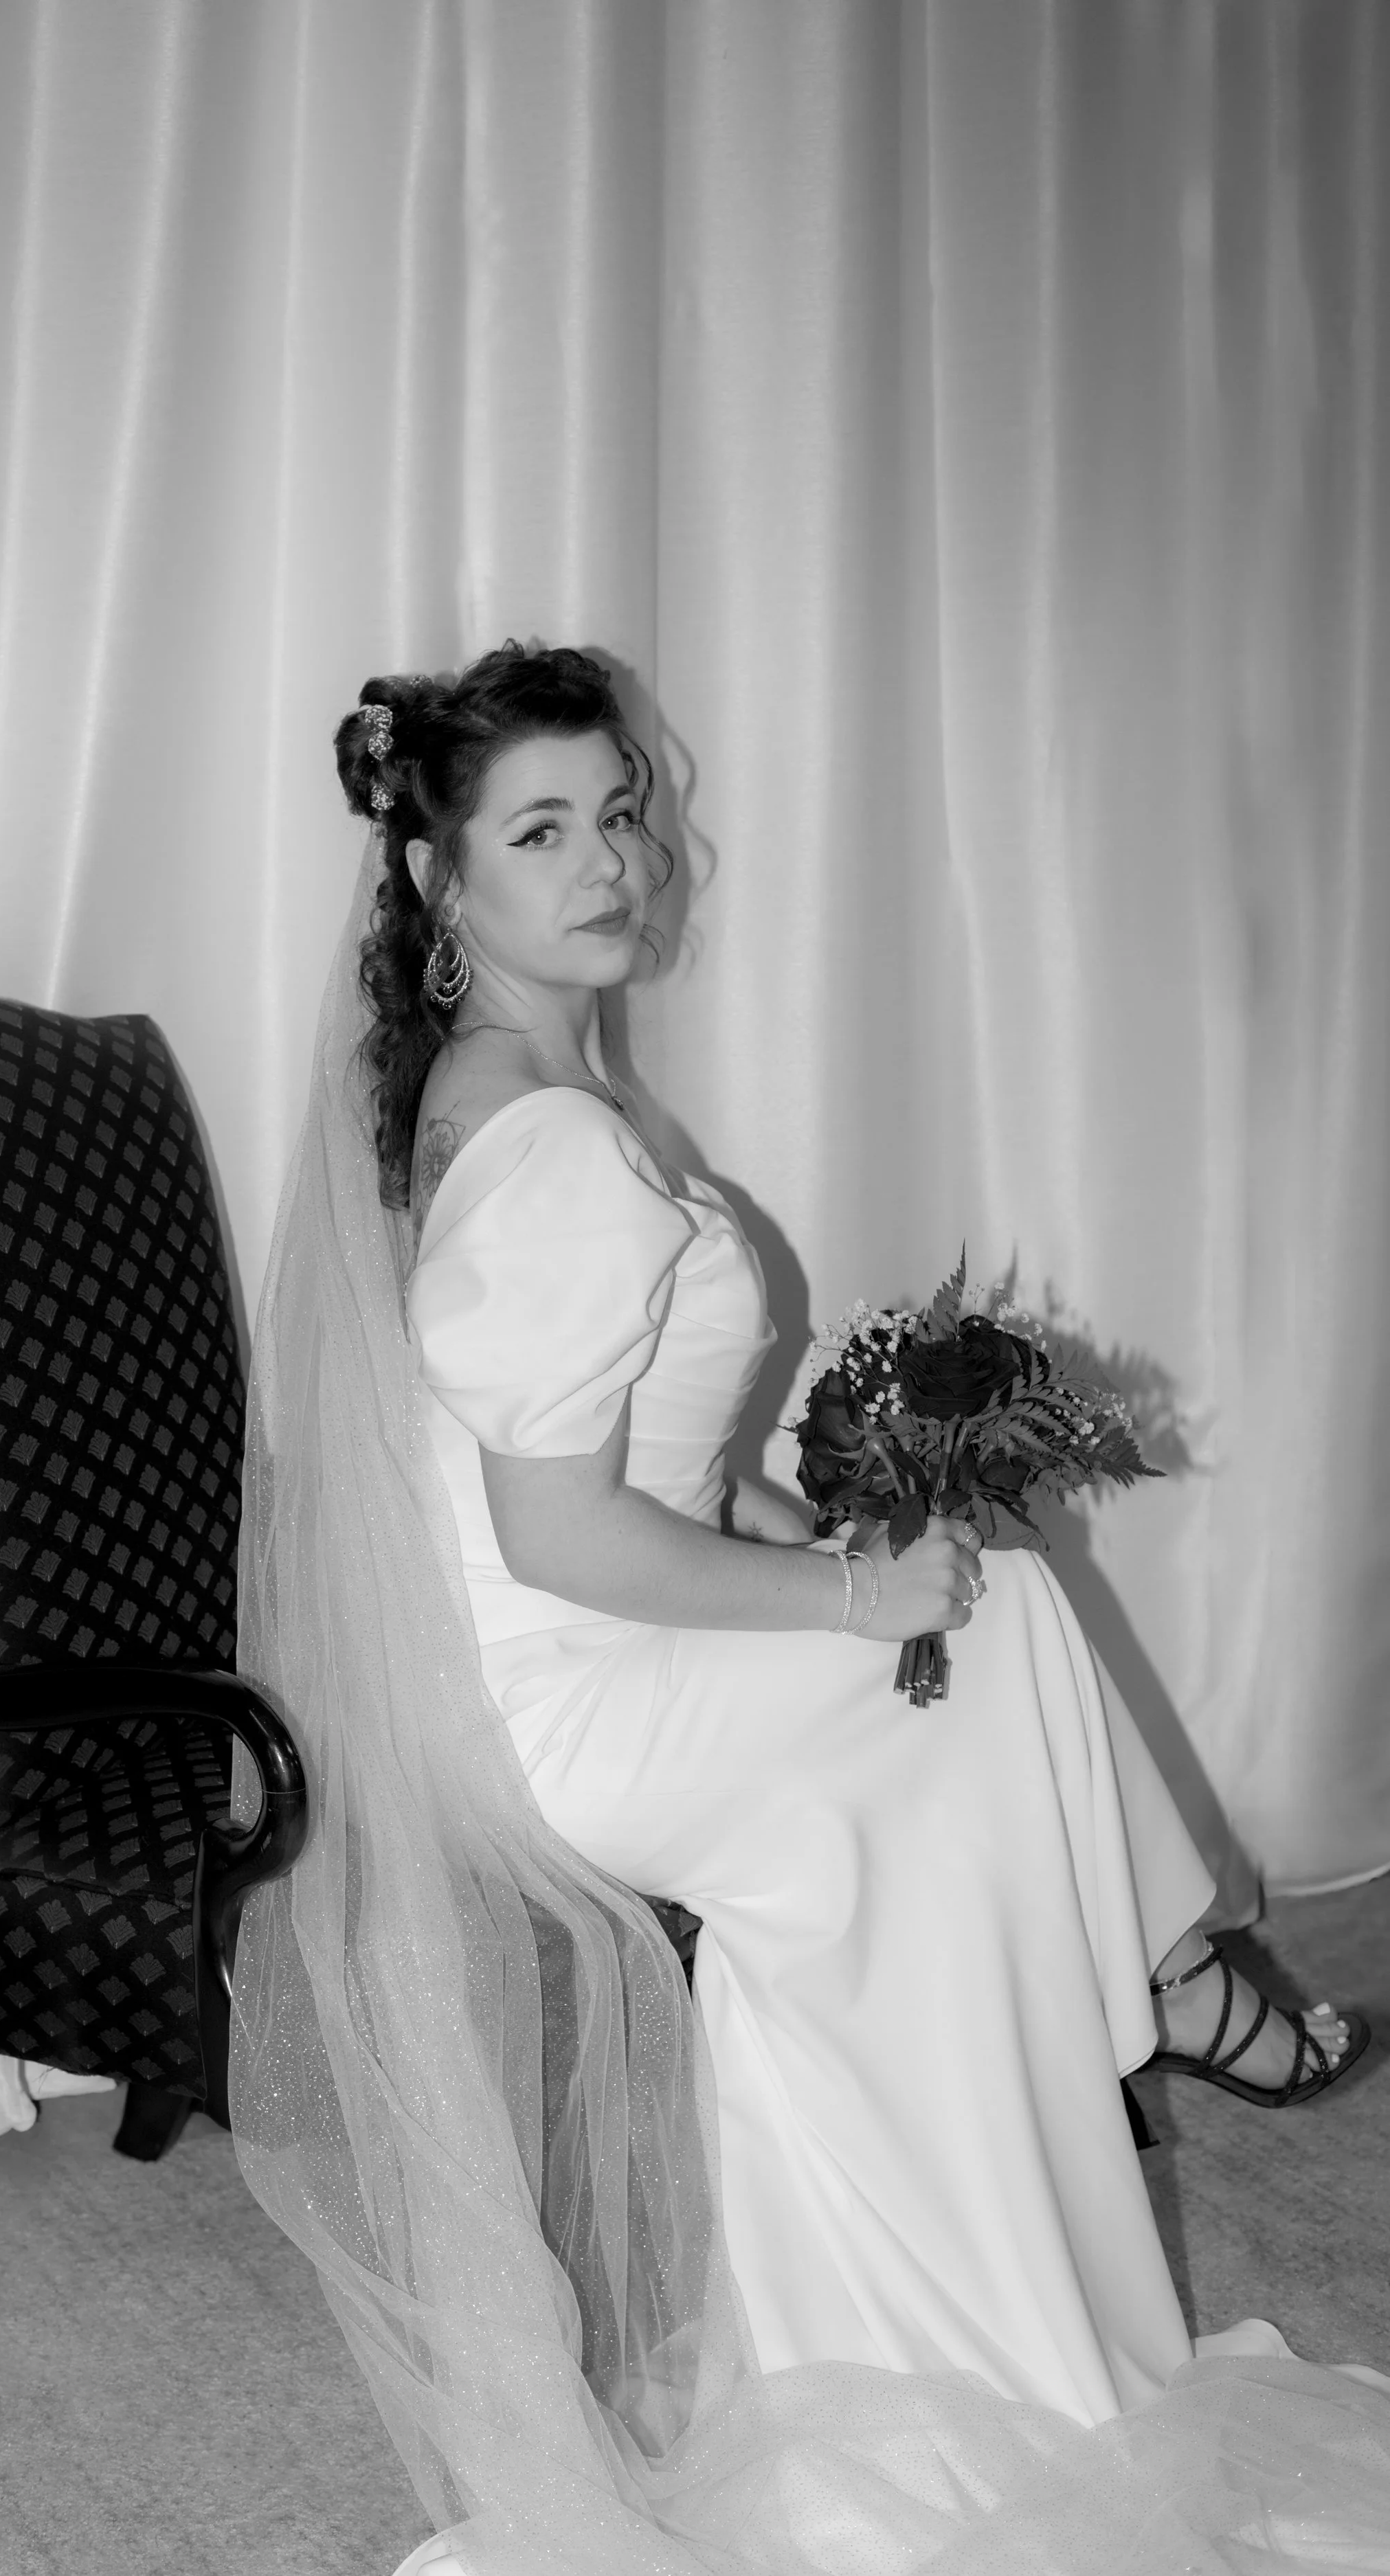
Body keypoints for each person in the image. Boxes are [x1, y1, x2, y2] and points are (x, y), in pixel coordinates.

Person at [228, 643, 1390, 2576]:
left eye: (616, 814)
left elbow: (661, 1478)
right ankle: (1157, 1988)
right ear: (440, 883)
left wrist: (825, 1564)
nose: (608, 859)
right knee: (981, 1648)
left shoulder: (507, 1085)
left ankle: (1099, 2062)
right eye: (541, 829)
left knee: (964, 1682)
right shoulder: (551, 1158)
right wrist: (841, 1591)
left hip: (573, 1654)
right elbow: (569, 1547)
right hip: (562, 1695)